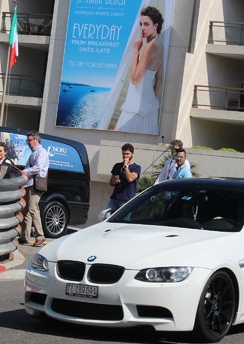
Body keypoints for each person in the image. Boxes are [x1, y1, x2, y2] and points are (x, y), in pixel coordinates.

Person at [115, 6, 164, 134]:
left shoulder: (149, 47)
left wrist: (136, 50)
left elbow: (135, 79)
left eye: (146, 24)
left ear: (155, 26)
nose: (142, 28)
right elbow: (159, 78)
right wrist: (150, 98)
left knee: (118, 138)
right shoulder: (159, 45)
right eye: (141, 24)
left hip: (136, 104)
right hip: (148, 104)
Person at [18, 131, 50, 247]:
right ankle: (25, 236)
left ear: (36, 140)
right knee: (26, 210)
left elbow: (38, 168)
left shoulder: (42, 152)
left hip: (36, 183)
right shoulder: (34, 153)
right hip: (29, 183)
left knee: (33, 209)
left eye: (29, 140)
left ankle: (40, 236)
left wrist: (24, 172)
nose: (28, 143)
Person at [108, 143, 141, 211]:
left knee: (122, 220)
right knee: (106, 215)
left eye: (127, 154)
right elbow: (110, 182)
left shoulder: (136, 167)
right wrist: (113, 181)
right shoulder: (117, 166)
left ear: (132, 154)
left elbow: (130, 179)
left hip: (126, 200)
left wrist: (126, 166)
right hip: (114, 198)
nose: (125, 156)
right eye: (123, 153)